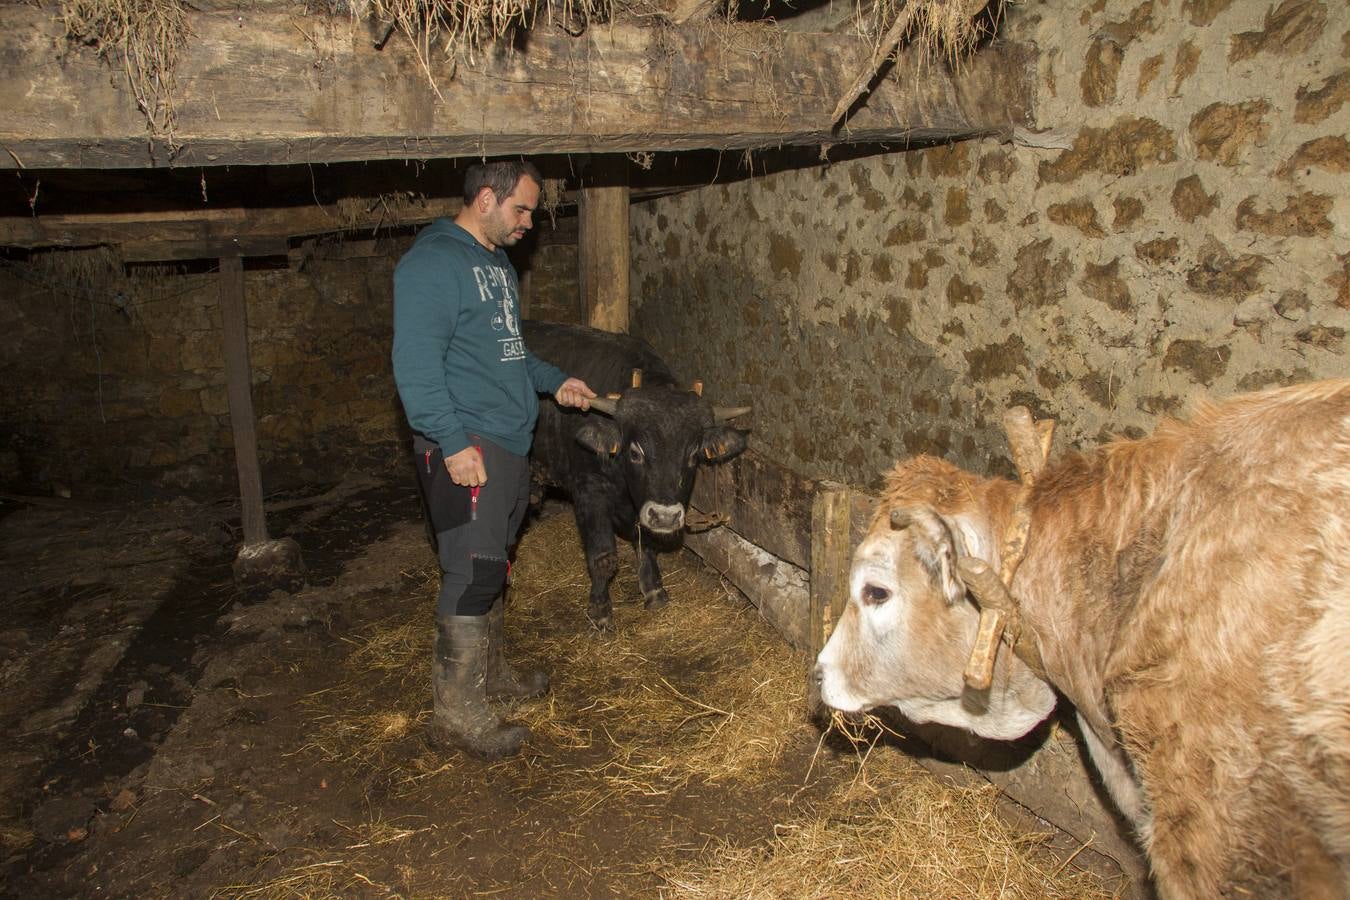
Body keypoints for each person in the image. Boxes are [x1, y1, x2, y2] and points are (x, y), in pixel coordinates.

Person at [392, 159, 595, 759]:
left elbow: (511, 352)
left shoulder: (496, 264)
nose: (530, 222)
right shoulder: (432, 264)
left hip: (508, 443)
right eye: (522, 209)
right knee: (472, 570)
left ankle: (490, 674)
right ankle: (455, 713)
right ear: (486, 199)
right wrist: (451, 443)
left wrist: (557, 382)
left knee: (494, 562)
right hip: (468, 442)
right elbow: (416, 366)